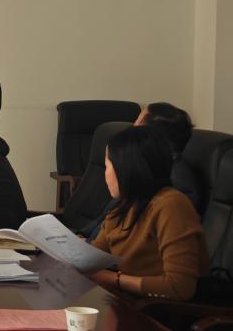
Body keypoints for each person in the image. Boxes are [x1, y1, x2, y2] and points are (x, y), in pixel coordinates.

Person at [87, 126, 208, 301]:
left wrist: (112, 279)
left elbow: (180, 287)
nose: (105, 175)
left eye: (107, 167)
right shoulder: (123, 208)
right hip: (129, 302)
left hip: (162, 310)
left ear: (125, 168)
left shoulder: (171, 205)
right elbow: (92, 259)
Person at [135, 102, 204, 215]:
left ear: (153, 139)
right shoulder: (152, 167)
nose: (132, 131)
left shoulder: (178, 182)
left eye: (137, 124)